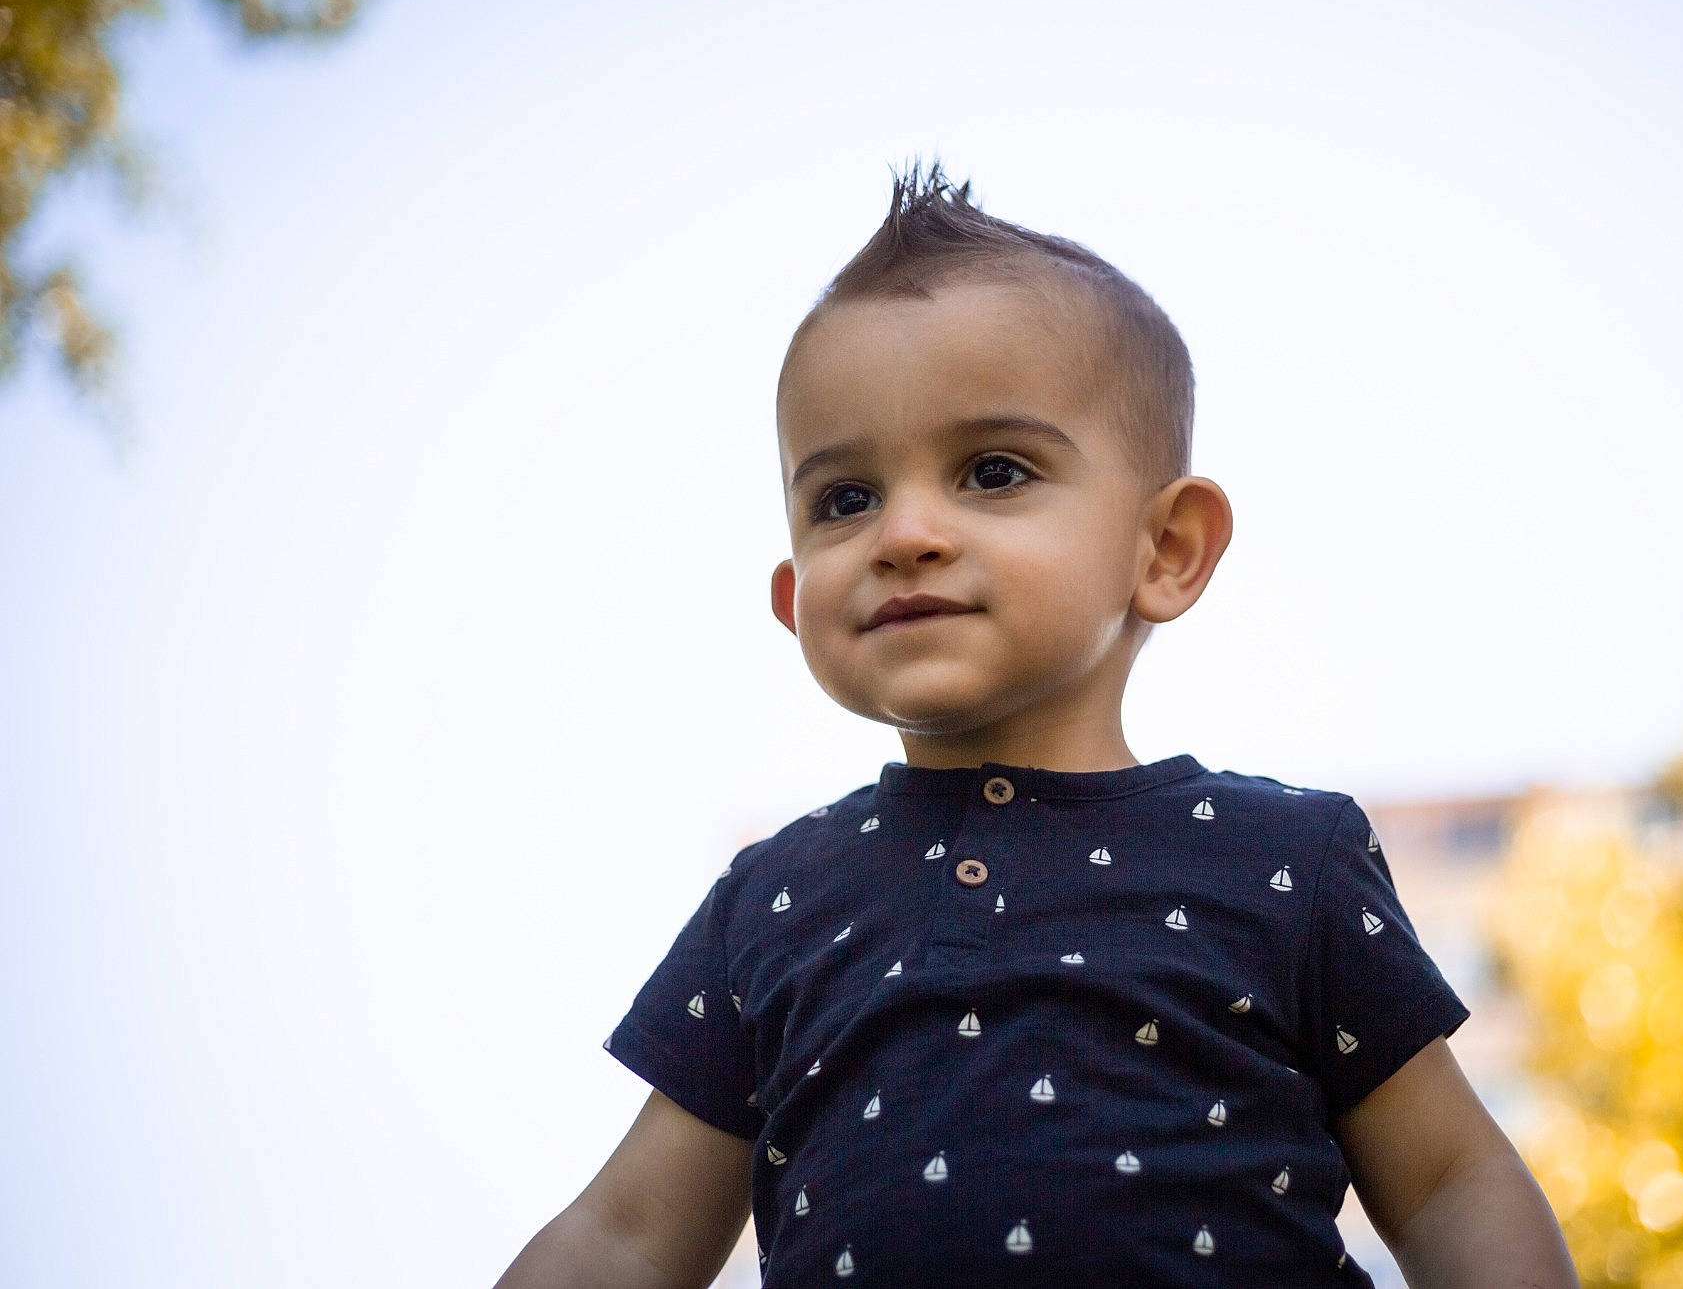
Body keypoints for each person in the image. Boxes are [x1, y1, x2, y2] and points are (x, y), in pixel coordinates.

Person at [493, 159, 1577, 1288]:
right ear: (792, 598)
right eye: (843, 499)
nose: (903, 532)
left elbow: (1453, 1179)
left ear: (1164, 552)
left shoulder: (1282, 861)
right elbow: (623, 1233)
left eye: (992, 471)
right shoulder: (768, 902)